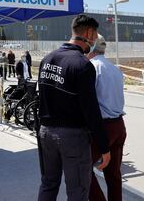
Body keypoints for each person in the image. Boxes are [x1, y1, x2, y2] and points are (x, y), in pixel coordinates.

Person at [38, 14, 110, 201]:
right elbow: (91, 110)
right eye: (95, 35)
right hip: (72, 136)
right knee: (77, 191)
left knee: (48, 184)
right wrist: (104, 147)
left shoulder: (47, 59)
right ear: (88, 33)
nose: (95, 40)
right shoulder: (83, 65)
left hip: (45, 132)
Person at [87, 34, 127, 201]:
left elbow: (88, 101)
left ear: (89, 46)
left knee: (82, 169)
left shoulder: (91, 67)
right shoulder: (114, 68)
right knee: (113, 175)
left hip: (103, 127)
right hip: (119, 125)